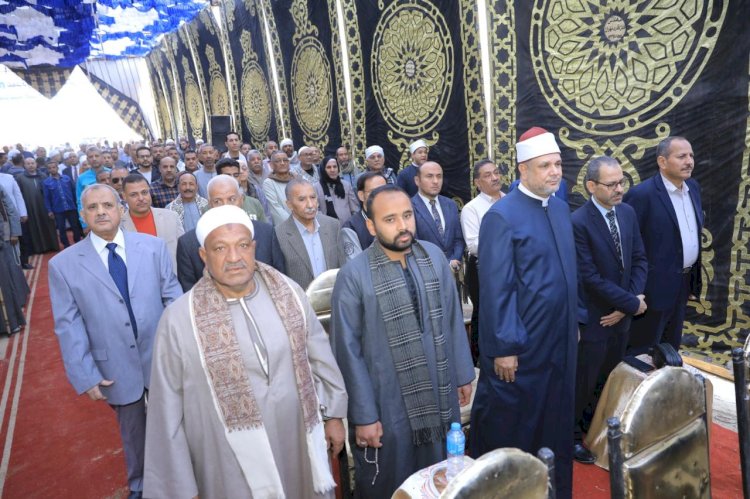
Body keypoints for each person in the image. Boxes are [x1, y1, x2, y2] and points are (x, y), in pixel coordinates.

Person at [144, 205, 347, 498]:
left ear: (254, 248)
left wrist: (334, 416)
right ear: (203, 255)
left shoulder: (289, 293)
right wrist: (181, 488)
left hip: (298, 444)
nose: (234, 257)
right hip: (227, 462)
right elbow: (167, 411)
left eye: (242, 245)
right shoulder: (178, 320)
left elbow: (320, 359)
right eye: (220, 248)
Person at [330, 185, 475, 497]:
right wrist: (364, 415)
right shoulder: (354, 276)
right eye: (390, 219)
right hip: (386, 403)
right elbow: (347, 353)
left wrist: (463, 374)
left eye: (407, 216)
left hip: (439, 391)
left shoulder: (434, 257)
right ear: (371, 226)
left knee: (440, 477)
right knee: (390, 480)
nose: (403, 225)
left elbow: (452, 319)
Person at [48, 183, 182, 499]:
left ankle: (182, 477)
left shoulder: (153, 247)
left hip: (161, 357)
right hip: (115, 366)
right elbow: (68, 325)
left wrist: (182, 350)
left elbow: (173, 298)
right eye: (92, 208)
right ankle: (140, 486)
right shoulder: (63, 265)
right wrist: (85, 374)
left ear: (121, 210)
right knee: (133, 433)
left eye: (107, 205)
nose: (101, 212)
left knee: (177, 422)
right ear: (82, 215)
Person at [469, 127, 578, 498]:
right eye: (545, 165)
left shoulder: (560, 208)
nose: (555, 171)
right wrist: (504, 347)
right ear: (523, 169)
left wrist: (574, 320)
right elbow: (496, 288)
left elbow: (570, 273)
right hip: (522, 347)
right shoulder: (502, 216)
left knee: (556, 422)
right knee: (518, 425)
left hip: (560, 340)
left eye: (558, 164)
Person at [571, 156, 648, 463]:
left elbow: (639, 259)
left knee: (609, 380)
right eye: (612, 184)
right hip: (595, 319)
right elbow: (589, 278)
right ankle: (572, 437)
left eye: (622, 182)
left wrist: (628, 305)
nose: (620, 189)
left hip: (621, 317)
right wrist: (631, 304)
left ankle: (597, 430)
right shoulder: (578, 222)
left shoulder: (627, 212)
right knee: (585, 383)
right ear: (591, 186)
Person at [623, 136, 702, 353]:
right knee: (643, 352)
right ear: (662, 161)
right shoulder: (642, 195)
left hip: (682, 285)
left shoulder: (693, 188)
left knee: (670, 349)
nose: (689, 161)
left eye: (691, 156)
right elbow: (628, 247)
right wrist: (634, 292)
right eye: (681, 156)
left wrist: (692, 282)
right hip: (651, 291)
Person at [175, 175, 285, 292]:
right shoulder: (189, 244)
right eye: (217, 201)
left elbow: (280, 279)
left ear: (241, 200)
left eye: (232, 199)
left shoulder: (266, 233)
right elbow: (191, 293)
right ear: (210, 205)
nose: (225, 206)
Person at [460, 159, 504, 362]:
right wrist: (504, 241)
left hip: (510, 266)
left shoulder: (510, 200)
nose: (494, 178)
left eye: (496, 172)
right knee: (485, 313)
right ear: (477, 183)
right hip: (483, 269)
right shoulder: (472, 208)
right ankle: (480, 358)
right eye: (488, 175)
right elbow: (473, 245)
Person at [275, 178, 345, 290]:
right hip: (301, 298)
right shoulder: (278, 235)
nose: (310, 205)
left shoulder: (332, 225)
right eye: (302, 199)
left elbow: (342, 265)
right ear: (289, 204)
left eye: (313, 197)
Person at [121, 174, 184, 271]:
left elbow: (184, 252)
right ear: (124, 197)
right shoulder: (119, 226)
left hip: (173, 277)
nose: (141, 198)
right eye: (134, 195)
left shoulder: (171, 217)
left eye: (144, 192)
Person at [411, 161, 464, 269]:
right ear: (417, 180)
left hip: (453, 271)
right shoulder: (409, 207)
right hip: (426, 270)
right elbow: (414, 244)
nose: (435, 181)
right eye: (429, 176)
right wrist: (446, 264)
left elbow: (458, 239)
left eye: (439, 176)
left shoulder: (450, 204)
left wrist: (454, 260)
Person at [0, 187, 29, 336]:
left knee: (6, 282)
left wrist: (13, 233)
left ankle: (12, 322)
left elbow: (10, 210)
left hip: (2, 242)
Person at [16, 156, 58, 258]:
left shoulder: (43, 175)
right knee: (34, 227)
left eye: (32, 163)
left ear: (36, 164)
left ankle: (51, 245)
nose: (31, 165)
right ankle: (39, 248)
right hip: (30, 207)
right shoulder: (20, 178)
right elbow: (19, 194)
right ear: (24, 165)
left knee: (48, 225)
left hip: (44, 206)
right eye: (28, 163)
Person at [341, 172, 386, 261]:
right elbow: (356, 264)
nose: (380, 196)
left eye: (385, 190)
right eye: (374, 192)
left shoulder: (396, 218)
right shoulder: (351, 227)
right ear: (361, 195)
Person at [43, 159, 82, 248]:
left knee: (75, 226)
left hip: (71, 206)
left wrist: (77, 204)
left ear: (57, 168)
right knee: (61, 228)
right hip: (58, 209)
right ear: (48, 170)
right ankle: (66, 245)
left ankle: (78, 242)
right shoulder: (46, 182)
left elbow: (74, 191)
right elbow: (46, 198)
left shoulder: (66, 178)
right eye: (50, 168)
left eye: (54, 167)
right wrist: (49, 210)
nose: (52, 169)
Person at [215, 158, 267, 222]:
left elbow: (264, 227)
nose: (233, 179)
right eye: (228, 176)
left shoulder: (255, 203)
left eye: (236, 175)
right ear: (218, 178)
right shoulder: (211, 207)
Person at [315, 156, 358, 224]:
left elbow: (354, 209)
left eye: (335, 167)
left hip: (347, 225)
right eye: (328, 167)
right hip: (326, 226)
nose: (332, 170)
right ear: (323, 169)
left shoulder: (346, 185)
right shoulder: (316, 187)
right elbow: (316, 210)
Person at [263, 150, 297, 226]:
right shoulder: (269, 183)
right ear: (271, 165)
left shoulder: (297, 179)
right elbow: (275, 208)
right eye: (278, 161)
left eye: (285, 160)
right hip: (287, 225)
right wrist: (294, 223)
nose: (282, 163)